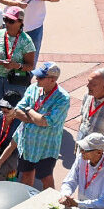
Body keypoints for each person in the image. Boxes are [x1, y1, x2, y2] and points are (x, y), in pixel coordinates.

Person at [11, 60, 70, 191]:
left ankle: (51, 207)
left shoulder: (62, 98)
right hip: (27, 145)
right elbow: (17, 111)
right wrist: (36, 118)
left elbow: (46, 122)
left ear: (52, 80)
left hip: (46, 148)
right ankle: (26, 205)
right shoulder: (33, 88)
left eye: (41, 77)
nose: (36, 78)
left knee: (46, 178)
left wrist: (29, 109)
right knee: (26, 174)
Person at [0, 5, 36, 116]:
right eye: (5, 19)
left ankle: (10, 132)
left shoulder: (26, 41)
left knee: (12, 110)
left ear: (20, 22)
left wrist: (16, 66)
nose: (7, 23)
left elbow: (30, 66)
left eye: (11, 21)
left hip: (14, 80)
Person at [58, 132, 104, 209]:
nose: (82, 151)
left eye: (86, 149)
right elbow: (70, 181)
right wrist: (65, 195)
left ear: (99, 152)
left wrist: (78, 204)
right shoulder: (81, 158)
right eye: (81, 148)